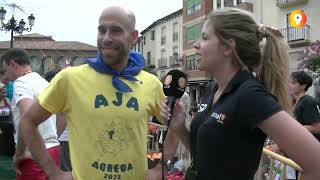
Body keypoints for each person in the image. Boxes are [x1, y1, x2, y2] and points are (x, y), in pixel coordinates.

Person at [160, 8, 320, 180]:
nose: (196, 45)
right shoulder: (211, 88)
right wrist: (179, 128)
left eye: (205, 37)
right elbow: (206, 155)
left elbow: (316, 164)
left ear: (228, 47)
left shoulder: (250, 95)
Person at [17, 6, 164, 180]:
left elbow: (174, 123)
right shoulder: (69, 79)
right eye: (102, 30)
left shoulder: (151, 83)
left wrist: (161, 168)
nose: (107, 38)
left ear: (133, 37)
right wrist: (53, 173)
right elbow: (28, 121)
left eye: (116, 31)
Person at [0, 48, 60, 180]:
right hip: (53, 149)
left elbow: (26, 117)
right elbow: (61, 115)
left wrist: (20, 152)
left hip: (33, 152)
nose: (6, 77)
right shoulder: (44, 82)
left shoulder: (21, 82)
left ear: (13, 64)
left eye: (5, 71)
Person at [45, 70, 72, 172]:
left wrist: (55, 136)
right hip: (67, 137)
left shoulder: (60, 94)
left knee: (64, 168)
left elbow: (62, 117)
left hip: (63, 138)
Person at [289, 71, 320, 141]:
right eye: (289, 82)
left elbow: (317, 128)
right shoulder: (294, 101)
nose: (289, 85)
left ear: (303, 86)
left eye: (293, 83)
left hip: (309, 145)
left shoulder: (308, 102)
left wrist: (295, 129)